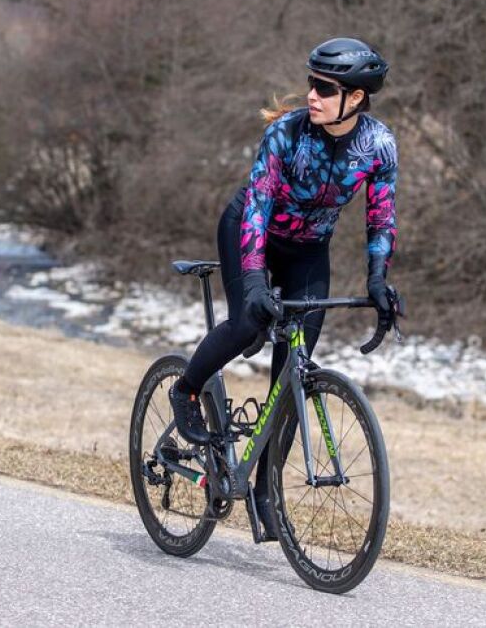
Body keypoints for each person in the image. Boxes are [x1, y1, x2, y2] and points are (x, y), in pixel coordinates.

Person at [168, 36, 399, 540]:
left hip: (309, 251)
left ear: (355, 98)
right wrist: (252, 279)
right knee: (248, 322)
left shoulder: (379, 146)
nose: (311, 95)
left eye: (324, 88)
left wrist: (378, 279)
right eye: (311, 83)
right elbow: (256, 206)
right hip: (252, 232)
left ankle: (264, 490)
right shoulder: (286, 135)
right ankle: (185, 389)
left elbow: (380, 219)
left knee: (291, 373)